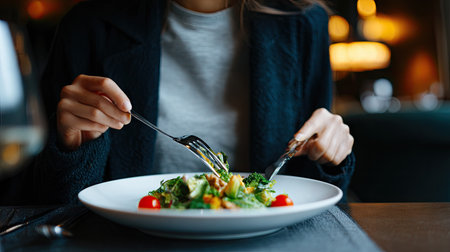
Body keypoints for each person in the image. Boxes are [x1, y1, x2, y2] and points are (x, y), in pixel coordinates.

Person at [1, 0, 354, 204]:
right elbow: (40, 200)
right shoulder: (87, 25)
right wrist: (73, 145)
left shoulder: (303, 22)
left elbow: (311, 191)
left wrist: (331, 153)